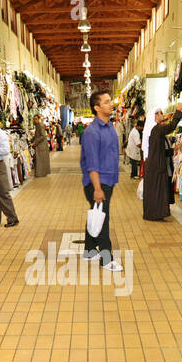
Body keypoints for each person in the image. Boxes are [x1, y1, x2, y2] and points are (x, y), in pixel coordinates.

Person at [80, 89, 123, 271]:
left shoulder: (110, 127)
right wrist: (97, 188)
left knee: (97, 213)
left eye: (109, 100)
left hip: (108, 181)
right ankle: (106, 258)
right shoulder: (92, 132)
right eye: (105, 102)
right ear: (97, 108)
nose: (110, 103)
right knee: (103, 219)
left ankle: (90, 250)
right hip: (98, 183)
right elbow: (92, 164)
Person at [143, 104, 182, 221]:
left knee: (155, 190)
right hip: (157, 166)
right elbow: (171, 126)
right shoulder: (156, 129)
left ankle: (154, 213)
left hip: (154, 165)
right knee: (157, 190)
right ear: (155, 116)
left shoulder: (154, 130)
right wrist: (178, 111)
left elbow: (161, 151)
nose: (163, 115)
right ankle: (155, 214)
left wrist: (174, 149)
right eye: (160, 113)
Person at [125, 110, 143, 179]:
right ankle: (134, 175)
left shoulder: (134, 130)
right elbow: (138, 144)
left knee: (133, 163)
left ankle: (133, 174)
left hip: (131, 150)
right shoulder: (136, 133)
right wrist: (143, 147)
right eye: (141, 127)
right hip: (133, 150)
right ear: (139, 126)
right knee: (134, 163)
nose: (142, 129)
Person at [32, 113, 50, 179]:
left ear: (39, 119)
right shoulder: (38, 125)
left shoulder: (40, 125)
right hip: (40, 145)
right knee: (41, 159)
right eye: (34, 119)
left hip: (41, 145)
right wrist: (32, 140)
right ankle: (41, 173)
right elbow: (37, 135)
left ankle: (40, 173)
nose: (35, 120)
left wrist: (35, 142)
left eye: (36, 119)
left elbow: (42, 136)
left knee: (40, 159)